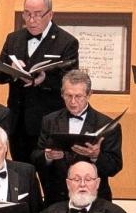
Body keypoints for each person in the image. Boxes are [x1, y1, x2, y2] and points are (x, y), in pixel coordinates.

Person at [0, 0, 78, 164]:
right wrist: (10, 71)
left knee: (50, 177)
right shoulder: (14, 38)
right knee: (22, 175)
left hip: (48, 123)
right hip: (18, 122)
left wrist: (44, 79)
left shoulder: (67, 42)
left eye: (37, 15)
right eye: (27, 14)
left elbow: (71, 80)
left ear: (50, 14)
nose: (31, 20)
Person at [31, 69, 123, 205]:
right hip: (57, 199)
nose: (73, 102)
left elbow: (114, 167)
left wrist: (96, 156)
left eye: (78, 96)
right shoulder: (49, 120)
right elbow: (35, 157)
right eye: (68, 96)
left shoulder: (108, 125)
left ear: (89, 94)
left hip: (95, 201)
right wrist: (47, 157)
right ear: (62, 94)